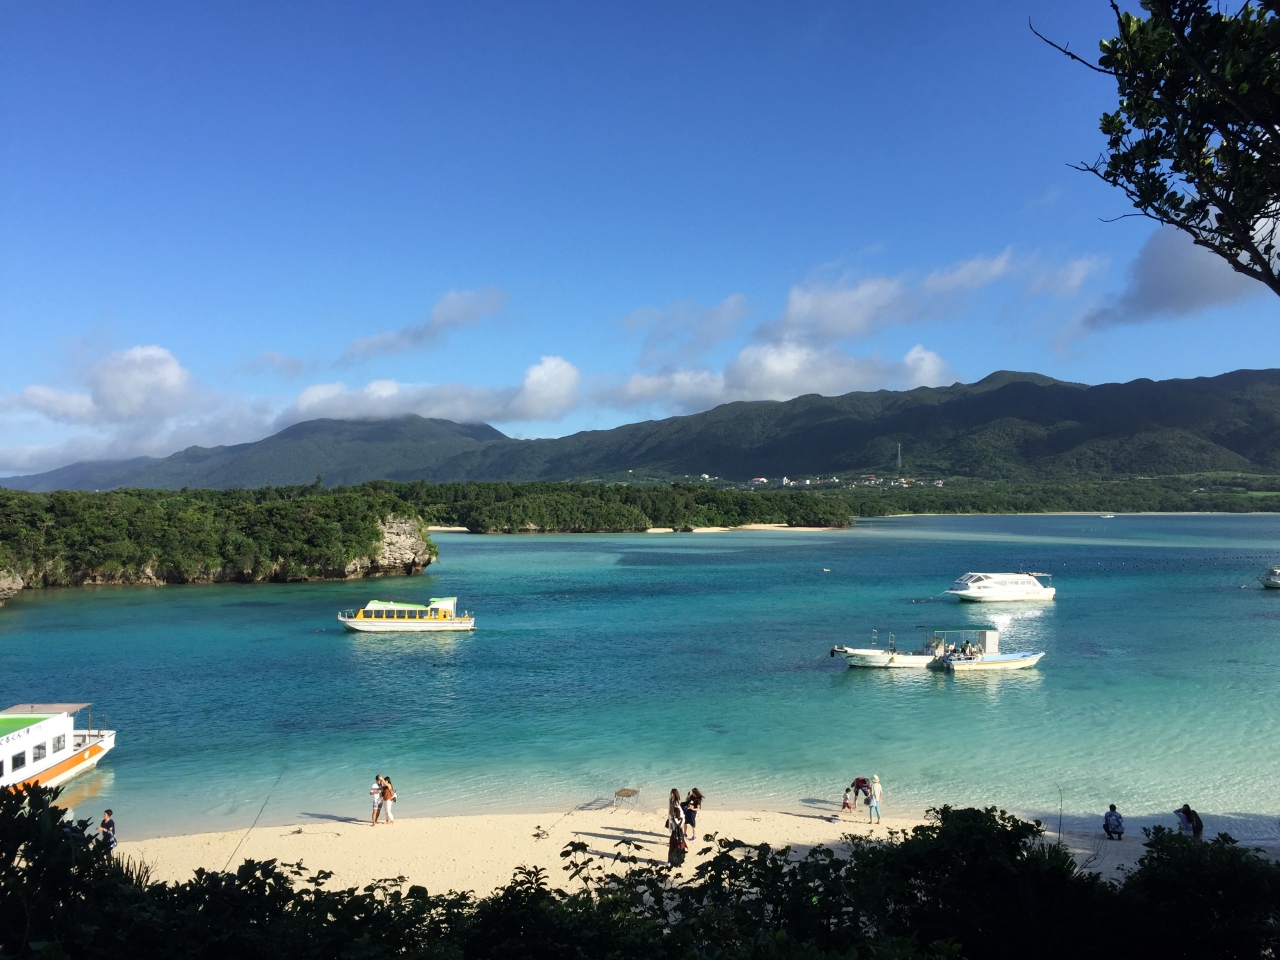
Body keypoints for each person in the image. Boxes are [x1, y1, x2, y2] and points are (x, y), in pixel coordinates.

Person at [667, 788, 687, 866]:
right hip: (676, 824)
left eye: (672, 793)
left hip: (676, 831)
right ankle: (677, 860)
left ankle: (673, 860)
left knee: (673, 846)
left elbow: (677, 810)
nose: (671, 795)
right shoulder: (672, 800)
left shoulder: (676, 802)